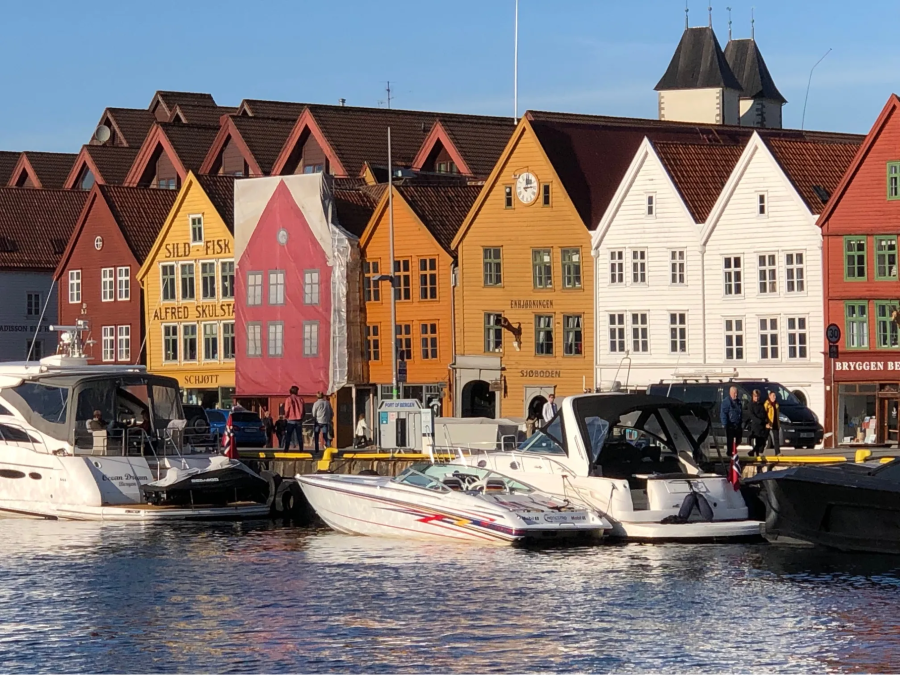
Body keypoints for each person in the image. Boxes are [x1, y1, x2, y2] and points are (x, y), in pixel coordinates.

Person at [720, 386, 743, 457]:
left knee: (739, 439)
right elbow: (723, 413)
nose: (736, 395)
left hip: (737, 424)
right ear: (730, 393)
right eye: (734, 393)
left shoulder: (738, 402)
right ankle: (730, 453)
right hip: (730, 424)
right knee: (730, 440)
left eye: (737, 393)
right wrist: (724, 423)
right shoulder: (726, 402)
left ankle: (734, 449)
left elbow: (740, 412)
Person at [282, 386, 304, 451]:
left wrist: (286, 416)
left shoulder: (288, 399)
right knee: (299, 435)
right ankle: (301, 449)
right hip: (299, 420)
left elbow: (286, 409)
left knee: (288, 435)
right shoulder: (300, 399)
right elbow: (303, 410)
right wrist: (302, 417)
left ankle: (286, 449)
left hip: (290, 420)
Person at [747, 390, 768, 458]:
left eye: (758, 396)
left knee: (763, 441)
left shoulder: (761, 404)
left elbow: (764, 413)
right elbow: (751, 415)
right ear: (753, 396)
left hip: (762, 425)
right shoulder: (750, 405)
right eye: (755, 396)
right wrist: (759, 421)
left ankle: (753, 452)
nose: (757, 398)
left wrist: (765, 421)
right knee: (758, 441)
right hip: (755, 425)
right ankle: (756, 453)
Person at [764, 391, 781, 456]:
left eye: (775, 396)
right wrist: (766, 422)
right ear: (769, 396)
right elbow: (764, 413)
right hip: (769, 423)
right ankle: (758, 451)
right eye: (773, 396)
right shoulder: (767, 404)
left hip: (775, 423)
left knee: (776, 438)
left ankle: (777, 452)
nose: (774, 397)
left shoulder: (776, 404)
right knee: (764, 438)